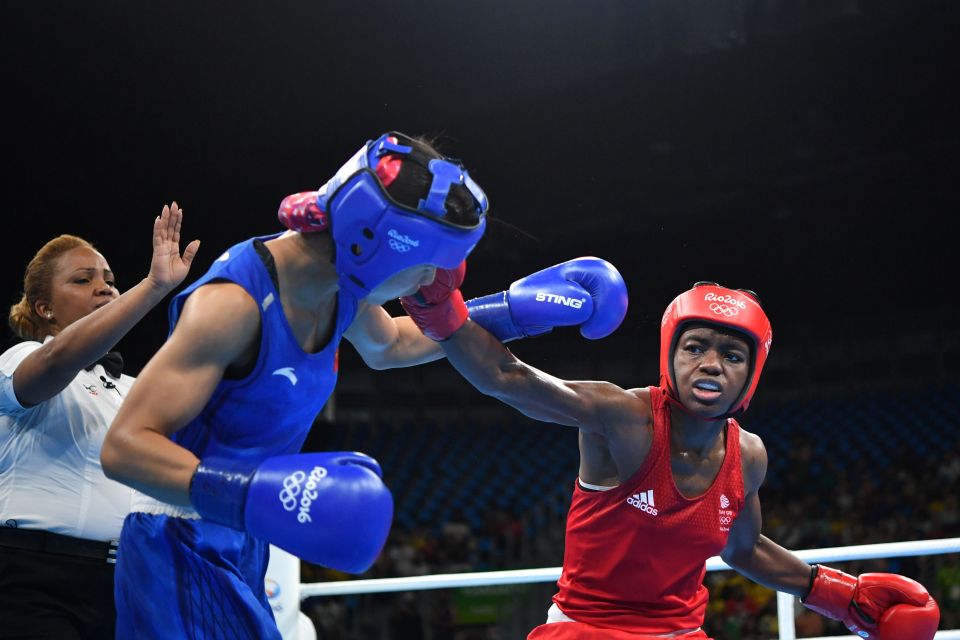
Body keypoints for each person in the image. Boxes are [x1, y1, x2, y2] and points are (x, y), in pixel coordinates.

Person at [100, 132, 599, 639]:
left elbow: (391, 346)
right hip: (178, 541)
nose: (433, 281)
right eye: (428, 262)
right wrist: (252, 494)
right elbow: (123, 447)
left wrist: (511, 311)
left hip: (240, 534)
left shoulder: (342, 287)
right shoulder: (234, 305)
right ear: (377, 241)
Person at [400, 275, 942, 639]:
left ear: (750, 373)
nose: (711, 364)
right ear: (670, 354)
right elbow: (507, 377)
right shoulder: (622, 417)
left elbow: (745, 548)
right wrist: (437, 307)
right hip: (584, 630)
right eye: (695, 347)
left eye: (731, 354)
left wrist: (841, 595)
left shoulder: (748, 455)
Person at [0, 203, 199, 639]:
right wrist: (151, 287)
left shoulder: (133, 388)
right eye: (83, 279)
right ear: (45, 308)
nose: (104, 288)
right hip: (35, 580)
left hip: (126, 583)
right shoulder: (22, 359)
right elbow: (56, 360)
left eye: (110, 280)